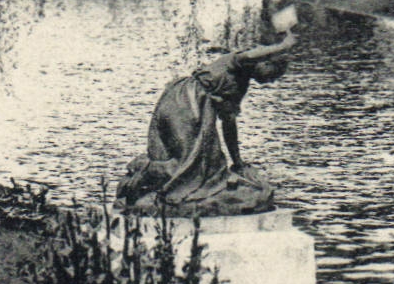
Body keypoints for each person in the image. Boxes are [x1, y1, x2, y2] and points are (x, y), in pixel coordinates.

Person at [119, 25, 298, 215]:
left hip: (191, 105)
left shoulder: (240, 85)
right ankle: (146, 173)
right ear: (265, 62)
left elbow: (229, 125)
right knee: (190, 164)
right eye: (273, 75)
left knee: (207, 165)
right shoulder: (237, 62)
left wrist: (238, 162)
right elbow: (249, 56)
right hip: (186, 104)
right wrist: (283, 46)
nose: (270, 81)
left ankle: (147, 175)